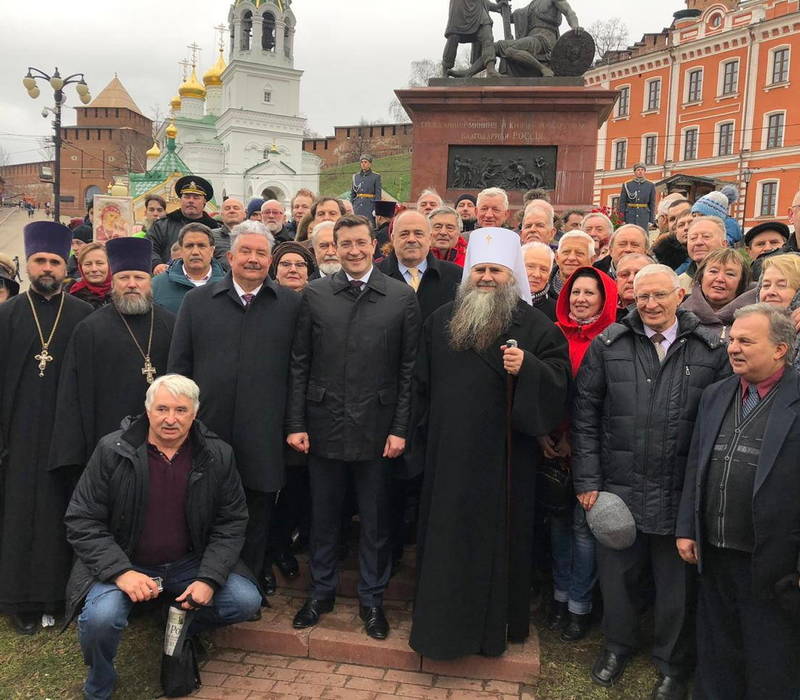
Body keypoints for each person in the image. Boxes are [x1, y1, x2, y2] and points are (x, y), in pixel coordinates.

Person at [410, 227, 571, 659]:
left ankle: (492, 631)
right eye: (479, 268)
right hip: (447, 458)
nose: (486, 277)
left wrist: (529, 368)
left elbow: (559, 383)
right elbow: (418, 385)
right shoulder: (442, 319)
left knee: (498, 545)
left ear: (511, 275)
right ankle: (439, 631)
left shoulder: (536, 325)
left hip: (505, 463)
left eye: (495, 270)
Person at [572, 263, 730, 698]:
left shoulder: (711, 348)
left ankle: (672, 663)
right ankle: (618, 646)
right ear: (630, 300)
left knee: (675, 584)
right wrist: (587, 480)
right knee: (618, 577)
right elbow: (584, 414)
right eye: (642, 297)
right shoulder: (609, 344)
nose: (651, 304)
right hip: (618, 486)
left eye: (660, 295)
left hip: (680, 489)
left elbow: (720, 423)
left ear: (680, 296)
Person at [65, 374, 261, 700]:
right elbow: (82, 519)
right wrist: (121, 572)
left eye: (181, 410)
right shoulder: (112, 450)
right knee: (101, 620)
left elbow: (231, 522)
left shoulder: (217, 454)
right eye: (163, 409)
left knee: (245, 601)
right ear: (148, 410)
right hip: (127, 561)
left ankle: (176, 622)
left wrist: (209, 579)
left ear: (195, 413)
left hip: (187, 562)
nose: (171, 419)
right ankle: (100, 681)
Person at [286, 215, 421, 640]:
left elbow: (408, 370)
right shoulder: (316, 294)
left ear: (375, 246)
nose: (354, 250)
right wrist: (296, 422)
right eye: (344, 244)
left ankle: (372, 599)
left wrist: (400, 429)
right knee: (324, 516)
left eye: (361, 243)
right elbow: (300, 363)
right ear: (334, 247)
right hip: (324, 424)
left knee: (377, 522)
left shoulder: (400, 298)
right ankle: (321, 592)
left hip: (378, 429)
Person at [169, 220, 301, 591]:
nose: (253, 259)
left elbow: (298, 369)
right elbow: (179, 368)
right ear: (229, 257)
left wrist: (292, 423)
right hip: (208, 427)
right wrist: (180, 421)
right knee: (206, 504)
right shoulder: (197, 302)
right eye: (246, 251)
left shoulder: (290, 305)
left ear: (270, 260)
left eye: (261, 253)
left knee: (258, 505)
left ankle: (251, 576)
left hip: (264, 426)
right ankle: (202, 577)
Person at [676, 304, 800, 699]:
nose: (733, 348)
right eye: (732, 339)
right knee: (717, 652)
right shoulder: (717, 394)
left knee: (771, 661)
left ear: (780, 349)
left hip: (775, 564)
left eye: (746, 340)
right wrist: (687, 529)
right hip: (715, 554)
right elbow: (696, 464)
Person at [0, 222, 93, 634]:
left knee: (61, 512)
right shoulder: (7, 314)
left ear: (66, 266)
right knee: (18, 513)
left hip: (64, 434)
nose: (47, 268)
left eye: (55, 261)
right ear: (29, 266)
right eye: (40, 261)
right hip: (16, 435)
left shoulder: (84, 315)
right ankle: (18, 600)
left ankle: (58, 595)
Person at [52, 236, 176, 473]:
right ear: (113, 282)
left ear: (150, 283)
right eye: (123, 278)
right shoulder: (90, 329)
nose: (132, 284)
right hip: (106, 443)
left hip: (163, 441)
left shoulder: (171, 324)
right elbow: (72, 395)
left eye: (139, 277)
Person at [543, 266, 618, 641]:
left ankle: (579, 605)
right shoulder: (554, 334)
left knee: (583, 529)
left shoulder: (614, 339)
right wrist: (548, 433)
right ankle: (558, 597)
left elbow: (603, 402)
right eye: (575, 292)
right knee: (558, 525)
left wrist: (575, 436)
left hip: (592, 449)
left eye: (590, 293)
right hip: (554, 448)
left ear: (605, 300)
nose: (581, 299)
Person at [263, 242, 317, 590]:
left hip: (306, 410)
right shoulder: (265, 304)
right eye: (285, 264)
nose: (293, 270)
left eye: (300, 265)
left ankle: (286, 544)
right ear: (275, 270)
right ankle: (268, 551)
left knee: (297, 485)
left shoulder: (316, 303)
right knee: (268, 488)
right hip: (267, 407)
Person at [378, 210, 462, 320]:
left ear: (430, 238)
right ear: (393, 238)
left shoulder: (456, 276)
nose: (411, 239)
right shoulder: (376, 275)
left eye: (418, 233)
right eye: (404, 234)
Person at [680, 248, 754, 342]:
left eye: (730, 274)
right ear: (701, 277)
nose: (720, 279)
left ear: (742, 282)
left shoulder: (755, 319)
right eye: (713, 271)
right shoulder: (679, 318)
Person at [151, 223, 226, 314]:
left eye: (201, 246)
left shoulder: (229, 285)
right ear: (181, 251)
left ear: (212, 251)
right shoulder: (156, 285)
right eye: (189, 246)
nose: (195, 252)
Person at [148, 176, 218, 272]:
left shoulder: (215, 228)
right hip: (168, 279)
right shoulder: (162, 225)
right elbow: (149, 248)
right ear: (181, 200)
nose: (191, 201)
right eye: (187, 197)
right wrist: (157, 264)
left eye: (196, 197)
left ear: (204, 202)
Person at [443, 0, 502, 77]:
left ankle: (490, 68)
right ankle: (445, 70)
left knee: (487, 35)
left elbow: (484, 2)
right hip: (460, 10)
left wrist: (497, 6)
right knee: (453, 38)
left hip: (479, 12)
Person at [678, 216, 728, 291]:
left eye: (706, 236)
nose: (698, 242)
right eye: (693, 238)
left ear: (724, 244)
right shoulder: (679, 284)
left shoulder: (737, 280)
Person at [68, 243, 112, 309]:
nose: (94, 269)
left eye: (99, 263)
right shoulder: (72, 296)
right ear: (80, 267)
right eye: (88, 264)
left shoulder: (121, 293)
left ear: (109, 265)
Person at [615, 252, 656, 320]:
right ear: (616, 282)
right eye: (624, 275)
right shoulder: (602, 311)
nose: (631, 279)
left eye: (639, 275)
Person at [552, 231, 594, 295]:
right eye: (566, 252)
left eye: (579, 253)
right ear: (557, 257)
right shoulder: (540, 286)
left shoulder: (602, 289)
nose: (571, 258)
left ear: (591, 260)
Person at [523, 241, 557, 320]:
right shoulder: (500, 302)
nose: (537, 274)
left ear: (549, 274)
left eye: (543, 269)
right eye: (530, 266)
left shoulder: (557, 311)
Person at [211, 197, 247, 268]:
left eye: (236, 208)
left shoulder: (253, 236)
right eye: (227, 208)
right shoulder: (211, 236)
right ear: (221, 214)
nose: (232, 211)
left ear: (244, 214)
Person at [619, 163, 656, 229]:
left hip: (644, 216)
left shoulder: (650, 185)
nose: (640, 171)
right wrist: (622, 219)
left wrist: (651, 220)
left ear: (645, 171)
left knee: (643, 235)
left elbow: (652, 204)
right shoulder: (627, 185)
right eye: (638, 170)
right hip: (630, 216)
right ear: (634, 172)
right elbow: (622, 203)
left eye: (642, 170)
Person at [350, 155, 382, 223]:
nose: (363, 164)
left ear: (370, 164)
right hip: (357, 206)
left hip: (369, 206)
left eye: (365, 162)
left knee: (369, 225)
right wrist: (351, 206)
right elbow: (353, 193)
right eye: (362, 162)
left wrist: (376, 208)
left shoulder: (376, 177)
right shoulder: (356, 176)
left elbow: (378, 194)